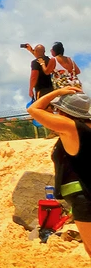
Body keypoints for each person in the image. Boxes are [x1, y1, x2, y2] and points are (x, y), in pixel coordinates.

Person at [28, 88, 91, 259]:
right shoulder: (84, 128)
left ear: (65, 112)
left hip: (84, 198)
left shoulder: (71, 127)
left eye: (57, 109)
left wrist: (57, 92)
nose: (55, 113)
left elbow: (33, 109)